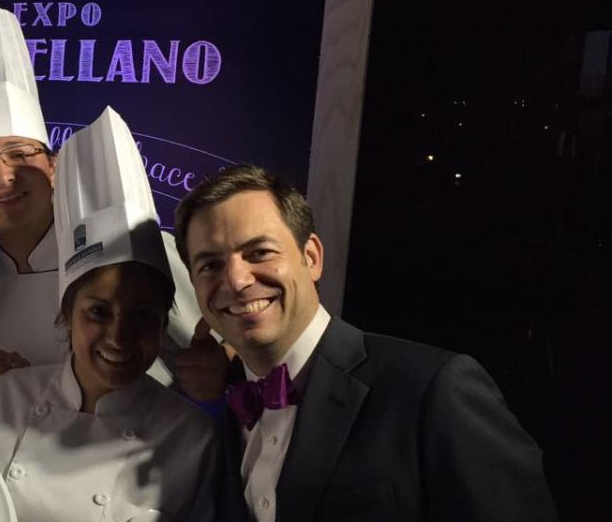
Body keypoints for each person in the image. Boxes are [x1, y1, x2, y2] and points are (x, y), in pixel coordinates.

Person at [174, 164, 557, 521]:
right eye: (210, 265)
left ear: (312, 258)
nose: (236, 280)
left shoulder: (433, 389)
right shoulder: (221, 417)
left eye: (260, 252)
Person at [0, 0, 213, 390]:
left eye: (20, 153)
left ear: (53, 166)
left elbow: (223, 349)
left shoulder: (132, 245)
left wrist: (222, 364)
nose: (1, 176)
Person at [0, 108, 218, 521]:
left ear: (164, 322)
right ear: (66, 314)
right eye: (98, 312)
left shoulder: (192, 436)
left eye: (142, 315)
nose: (118, 336)